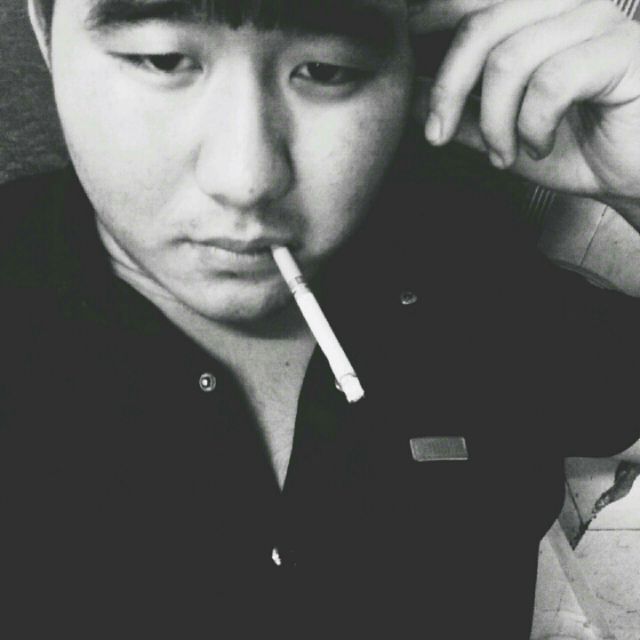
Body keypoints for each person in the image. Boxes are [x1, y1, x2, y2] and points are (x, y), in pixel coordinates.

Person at [1, 0, 640, 635]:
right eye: (162, 59)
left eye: (326, 69)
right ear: (47, 34)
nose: (246, 179)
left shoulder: (465, 276)